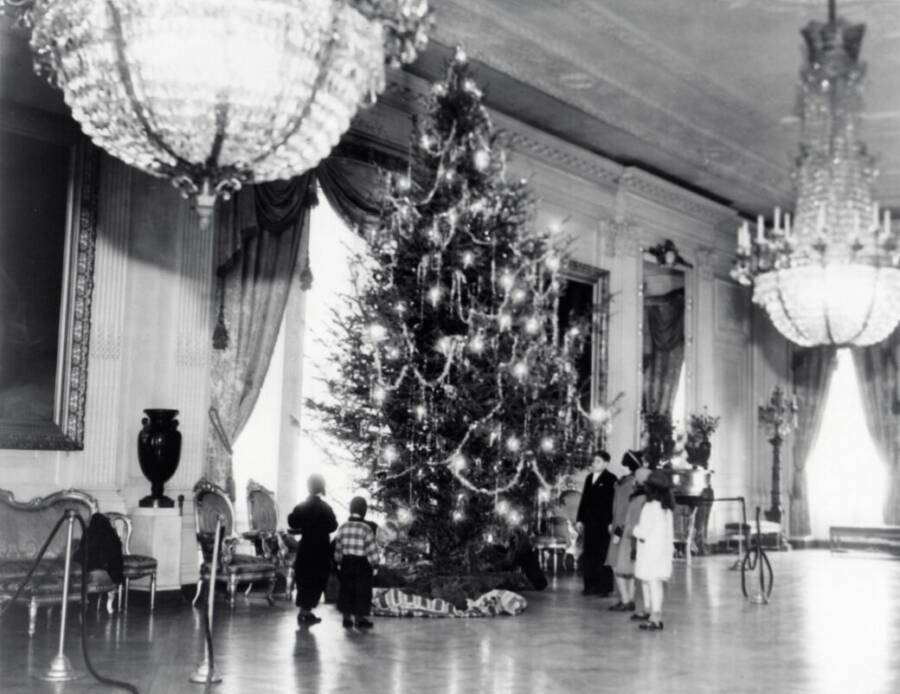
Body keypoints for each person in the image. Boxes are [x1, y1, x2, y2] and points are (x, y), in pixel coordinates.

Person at [287, 474, 338, 626]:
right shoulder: (326, 508)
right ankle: (306, 612)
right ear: (322, 487)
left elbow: (292, 521)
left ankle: (304, 611)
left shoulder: (302, 506)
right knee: (316, 580)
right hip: (321, 549)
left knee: (303, 579)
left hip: (306, 547)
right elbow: (333, 526)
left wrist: (305, 526)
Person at [633, 469, 675, 631]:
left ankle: (654, 618)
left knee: (651, 584)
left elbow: (643, 531)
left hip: (649, 552)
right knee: (656, 584)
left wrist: (634, 530)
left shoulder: (650, 507)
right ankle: (655, 615)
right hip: (662, 552)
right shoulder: (666, 508)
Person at [605, 454, 643, 611]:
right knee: (622, 564)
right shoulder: (624, 482)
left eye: (623, 464)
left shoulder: (630, 484)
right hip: (619, 527)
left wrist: (618, 526)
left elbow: (626, 509)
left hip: (622, 529)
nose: (620, 466)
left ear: (629, 466)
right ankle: (626, 598)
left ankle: (627, 600)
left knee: (618, 563)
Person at [575, 451, 617, 596]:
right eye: (594, 461)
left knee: (602, 554)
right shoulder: (589, 478)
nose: (594, 464)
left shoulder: (611, 479)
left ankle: (604, 587)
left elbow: (612, 503)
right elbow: (584, 500)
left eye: (598, 461)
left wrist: (611, 521)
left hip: (604, 523)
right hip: (590, 522)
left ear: (606, 463)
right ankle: (589, 585)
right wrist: (580, 519)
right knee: (589, 553)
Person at [334, 497, 379, 630]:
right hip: (362, 565)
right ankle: (359, 619)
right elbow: (371, 550)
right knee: (362, 592)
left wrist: (338, 561)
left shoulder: (343, 527)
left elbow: (338, 549)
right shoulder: (366, 528)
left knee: (346, 590)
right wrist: (375, 564)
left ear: (351, 509)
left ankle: (346, 618)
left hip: (347, 563)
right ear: (364, 510)